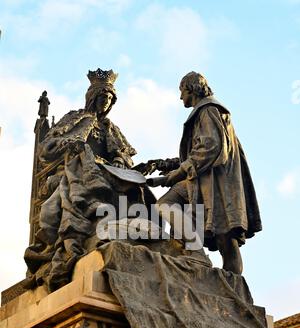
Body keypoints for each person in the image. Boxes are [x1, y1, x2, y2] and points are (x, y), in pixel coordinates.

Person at [24, 69, 142, 291]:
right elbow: (46, 149)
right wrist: (70, 145)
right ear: (93, 97)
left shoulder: (110, 128)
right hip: (73, 170)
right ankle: (74, 241)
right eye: (102, 99)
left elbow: (124, 154)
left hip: (105, 173)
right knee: (78, 182)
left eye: (109, 101)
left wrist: (118, 159)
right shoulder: (75, 119)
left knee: (134, 187)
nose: (105, 105)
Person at [145, 71, 262, 274]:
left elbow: (210, 148)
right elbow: (195, 153)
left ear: (191, 89)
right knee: (168, 204)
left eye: (181, 91)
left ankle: (229, 285)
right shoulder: (206, 112)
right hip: (202, 180)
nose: (180, 97)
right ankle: (194, 251)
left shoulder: (208, 110)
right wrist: (164, 165)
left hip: (216, 183)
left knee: (226, 238)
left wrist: (175, 175)